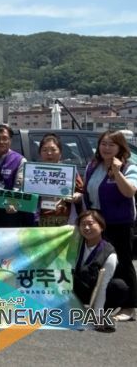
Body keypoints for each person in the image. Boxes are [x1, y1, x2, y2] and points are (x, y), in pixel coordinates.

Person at [83, 130, 137, 321]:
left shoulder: (129, 167)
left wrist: (117, 172)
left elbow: (129, 192)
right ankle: (102, 302)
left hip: (119, 222)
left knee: (123, 262)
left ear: (120, 148)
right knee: (99, 263)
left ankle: (129, 306)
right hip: (97, 222)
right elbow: (88, 191)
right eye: (103, 144)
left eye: (111, 145)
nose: (106, 148)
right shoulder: (93, 166)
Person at [73, 210, 128, 332]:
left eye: (90, 224)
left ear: (101, 227)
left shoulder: (109, 253)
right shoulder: (75, 244)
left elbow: (102, 286)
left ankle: (100, 313)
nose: (86, 228)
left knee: (119, 286)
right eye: (83, 224)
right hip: (76, 288)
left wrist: (98, 316)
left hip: (95, 289)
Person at [0, 124, 31, 227]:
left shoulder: (19, 160)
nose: (1, 142)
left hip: (10, 210)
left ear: (10, 140)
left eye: (4, 138)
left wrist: (13, 202)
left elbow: (19, 187)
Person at [36, 133, 83, 227]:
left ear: (60, 153)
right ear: (40, 153)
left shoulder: (69, 171)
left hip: (65, 220)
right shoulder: (34, 172)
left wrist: (76, 196)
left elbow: (81, 193)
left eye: (53, 150)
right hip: (39, 220)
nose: (49, 153)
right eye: (45, 150)